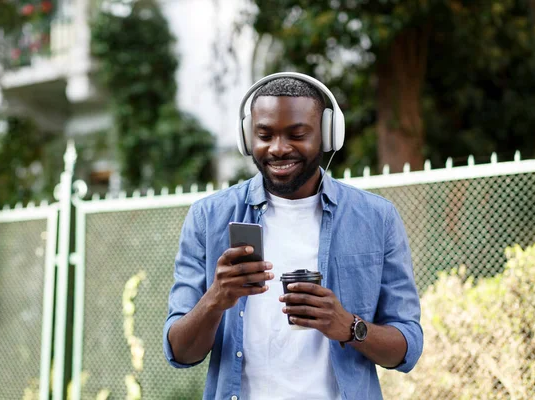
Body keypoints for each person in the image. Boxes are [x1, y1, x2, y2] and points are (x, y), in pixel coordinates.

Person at [163, 72, 423, 399]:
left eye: (297, 134)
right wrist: (217, 298)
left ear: (328, 135)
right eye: (264, 135)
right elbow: (180, 352)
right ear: (247, 138)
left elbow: (407, 347)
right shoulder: (208, 218)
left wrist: (348, 327)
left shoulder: (376, 219)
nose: (279, 148)